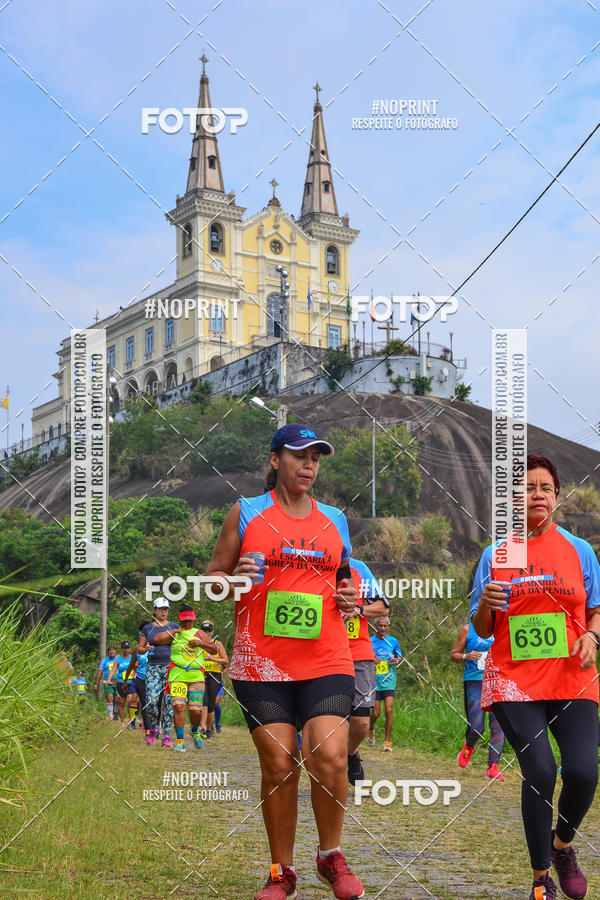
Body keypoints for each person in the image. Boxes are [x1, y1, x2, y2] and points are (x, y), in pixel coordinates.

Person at [207, 422, 365, 900]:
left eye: (316, 458)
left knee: (330, 756)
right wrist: (233, 579)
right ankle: (281, 871)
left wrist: (348, 598)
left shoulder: (335, 519)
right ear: (275, 460)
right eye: (299, 456)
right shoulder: (247, 512)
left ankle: (329, 856)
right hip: (262, 663)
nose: (309, 465)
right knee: (279, 765)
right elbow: (214, 579)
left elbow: (345, 584)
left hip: (326, 656)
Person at [471, 453, 600, 900]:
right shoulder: (496, 555)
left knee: (584, 772)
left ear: (557, 497)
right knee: (541, 771)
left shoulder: (580, 552)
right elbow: (483, 628)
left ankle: (562, 846)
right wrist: (487, 601)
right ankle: (540, 877)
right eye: (527, 489)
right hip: (514, 681)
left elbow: (596, 609)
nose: (537, 495)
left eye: (545, 487)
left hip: (573, 677)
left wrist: (593, 637)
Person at [345, 558, 388, 785]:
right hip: (321, 654)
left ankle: (350, 754)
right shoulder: (311, 563)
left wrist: (358, 609)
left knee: (361, 722)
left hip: (359, 655)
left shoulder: (358, 568)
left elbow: (383, 607)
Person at [152, 603, 217, 751]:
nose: (187, 623)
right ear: (180, 620)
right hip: (177, 675)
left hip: (196, 676)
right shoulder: (175, 633)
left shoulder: (200, 632)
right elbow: (157, 639)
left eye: (190, 621)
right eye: (184, 621)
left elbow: (214, 649)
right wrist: (174, 631)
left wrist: (200, 643)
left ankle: (195, 730)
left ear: (193, 620)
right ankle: (180, 741)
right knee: (179, 707)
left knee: (195, 711)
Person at [450, 622, 506, 781]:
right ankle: (469, 745)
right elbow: (453, 654)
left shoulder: (502, 626)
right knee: (476, 727)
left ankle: (492, 767)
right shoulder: (468, 629)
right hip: (475, 680)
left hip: (498, 680)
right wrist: (466, 656)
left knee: (499, 725)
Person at [138, 597, 178, 748]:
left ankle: (166, 735)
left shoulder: (174, 626)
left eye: (166, 609)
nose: (163, 611)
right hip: (153, 667)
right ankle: (153, 729)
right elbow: (139, 648)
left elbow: (180, 644)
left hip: (171, 668)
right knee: (152, 701)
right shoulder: (148, 628)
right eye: (161, 608)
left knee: (169, 703)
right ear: (155, 610)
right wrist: (145, 649)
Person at [367, 617, 401, 751]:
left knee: (389, 709)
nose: (382, 628)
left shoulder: (393, 641)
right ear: (375, 626)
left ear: (388, 627)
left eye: (385, 626)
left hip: (389, 680)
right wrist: (372, 660)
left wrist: (396, 660)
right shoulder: (370, 641)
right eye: (380, 625)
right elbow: (364, 657)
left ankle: (387, 741)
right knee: (376, 713)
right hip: (374, 681)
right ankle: (370, 729)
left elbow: (399, 656)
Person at [199, 620, 228, 738]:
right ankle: (202, 728)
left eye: (209, 630)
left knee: (211, 703)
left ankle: (210, 729)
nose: (207, 632)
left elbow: (226, 661)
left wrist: (214, 660)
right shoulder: (198, 643)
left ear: (212, 631)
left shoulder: (217, 643)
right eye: (204, 630)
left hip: (214, 676)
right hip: (201, 674)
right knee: (203, 702)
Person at [125, 635, 150, 735]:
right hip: (137, 678)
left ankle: (147, 723)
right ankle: (132, 722)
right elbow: (133, 664)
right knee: (134, 699)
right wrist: (125, 681)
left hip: (150, 679)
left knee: (147, 702)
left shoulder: (154, 649)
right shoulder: (138, 649)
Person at [107, 642, 133, 726]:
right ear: (122, 649)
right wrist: (108, 679)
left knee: (131, 701)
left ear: (130, 649)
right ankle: (122, 722)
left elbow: (138, 668)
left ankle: (131, 719)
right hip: (121, 683)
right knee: (121, 703)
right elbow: (113, 670)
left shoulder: (133, 658)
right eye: (124, 648)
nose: (126, 649)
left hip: (131, 682)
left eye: (128, 648)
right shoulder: (118, 659)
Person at [94, 646, 118, 719]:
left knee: (117, 699)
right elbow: (100, 673)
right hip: (107, 682)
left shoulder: (119, 659)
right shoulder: (104, 661)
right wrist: (96, 684)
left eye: (113, 653)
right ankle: (110, 715)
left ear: (115, 652)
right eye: (110, 653)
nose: (112, 655)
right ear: (108, 653)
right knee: (109, 697)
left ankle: (116, 713)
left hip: (118, 682)